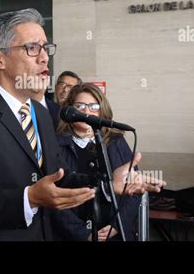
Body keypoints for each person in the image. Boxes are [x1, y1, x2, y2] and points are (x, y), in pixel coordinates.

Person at [0, 8, 165, 241]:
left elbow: (59, 175)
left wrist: (107, 182)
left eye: (46, 48)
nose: (45, 57)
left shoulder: (40, 112)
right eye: (32, 48)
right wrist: (29, 198)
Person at [52, 83, 141, 241]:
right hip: (72, 236)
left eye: (94, 106)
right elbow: (53, 196)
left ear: (102, 110)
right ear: (70, 111)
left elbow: (134, 191)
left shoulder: (117, 142)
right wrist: (82, 233)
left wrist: (116, 226)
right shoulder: (55, 145)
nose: (87, 111)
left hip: (115, 234)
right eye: (80, 106)